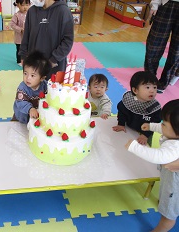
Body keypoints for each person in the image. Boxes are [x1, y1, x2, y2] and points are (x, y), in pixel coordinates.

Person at [125, 99, 179, 232]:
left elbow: (157, 156)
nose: (161, 126)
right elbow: (165, 129)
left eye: (164, 124)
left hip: (174, 186)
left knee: (168, 215)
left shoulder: (174, 146)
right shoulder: (174, 134)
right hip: (169, 178)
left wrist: (134, 147)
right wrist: (151, 126)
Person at [18, 0, 74, 80]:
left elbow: (67, 41)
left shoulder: (63, 11)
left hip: (54, 64)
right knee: (34, 91)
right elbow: (26, 35)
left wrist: (53, 60)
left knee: (51, 91)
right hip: (33, 64)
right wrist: (23, 55)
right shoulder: (32, 11)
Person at [112, 71, 161, 145]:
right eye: (147, 87)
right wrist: (121, 124)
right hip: (129, 129)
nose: (152, 91)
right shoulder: (128, 100)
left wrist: (146, 135)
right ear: (135, 90)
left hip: (146, 134)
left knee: (145, 148)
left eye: (154, 87)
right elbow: (122, 112)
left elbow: (155, 123)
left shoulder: (154, 107)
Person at [144, 0, 179, 93]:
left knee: (177, 52)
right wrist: (155, 5)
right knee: (154, 44)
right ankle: (150, 78)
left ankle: (164, 82)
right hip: (166, 5)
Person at [13, 50, 51, 123]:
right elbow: (20, 102)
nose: (28, 78)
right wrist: (30, 109)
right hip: (21, 117)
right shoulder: (22, 88)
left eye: (32, 75)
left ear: (42, 78)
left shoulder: (45, 86)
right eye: (25, 73)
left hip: (36, 118)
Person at [9, 0, 31, 66]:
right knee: (19, 49)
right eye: (23, 5)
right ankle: (19, 61)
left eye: (27, 5)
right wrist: (20, 29)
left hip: (28, 37)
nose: (25, 7)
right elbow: (12, 24)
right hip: (19, 38)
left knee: (28, 49)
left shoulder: (30, 14)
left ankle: (27, 59)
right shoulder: (16, 15)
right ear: (18, 5)